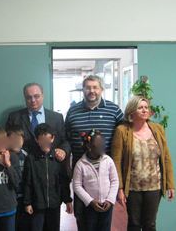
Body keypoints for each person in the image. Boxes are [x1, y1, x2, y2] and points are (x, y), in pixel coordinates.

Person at [64, 75, 124, 231]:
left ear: (101, 90)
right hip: (81, 173)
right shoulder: (73, 111)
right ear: (83, 90)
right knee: (83, 220)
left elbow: (125, 136)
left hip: (105, 175)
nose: (91, 91)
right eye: (88, 87)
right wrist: (67, 166)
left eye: (95, 87)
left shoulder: (114, 110)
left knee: (103, 221)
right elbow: (66, 138)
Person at [111, 96, 175, 231]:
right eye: (140, 108)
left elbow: (166, 158)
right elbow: (116, 162)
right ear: (132, 111)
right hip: (132, 187)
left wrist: (170, 184)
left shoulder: (157, 129)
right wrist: (120, 189)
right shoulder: (122, 131)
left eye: (146, 107)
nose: (144, 110)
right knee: (134, 224)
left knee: (150, 224)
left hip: (154, 186)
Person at [24, 123, 73, 231]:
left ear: (52, 139)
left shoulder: (58, 159)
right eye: (42, 140)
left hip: (54, 204)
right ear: (37, 140)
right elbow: (27, 182)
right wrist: (27, 203)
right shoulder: (31, 159)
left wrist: (67, 200)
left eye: (48, 139)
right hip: (37, 204)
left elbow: (63, 181)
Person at [6, 82, 70, 162]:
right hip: (24, 165)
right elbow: (7, 141)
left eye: (36, 96)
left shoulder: (57, 118)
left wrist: (63, 150)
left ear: (42, 96)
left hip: (51, 163)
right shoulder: (14, 117)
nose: (33, 100)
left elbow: (65, 140)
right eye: (29, 97)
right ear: (25, 98)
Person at [73, 129, 119, 231]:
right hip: (90, 206)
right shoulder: (81, 164)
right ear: (88, 146)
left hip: (106, 205)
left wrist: (110, 199)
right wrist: (90, 201)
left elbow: (115, 180)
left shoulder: (108, 161)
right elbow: (77, 186)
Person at [6, 125, 29, 231]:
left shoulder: (27, 157)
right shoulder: (3, 156)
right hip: (9, 197)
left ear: (23, 141)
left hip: (23, 197)